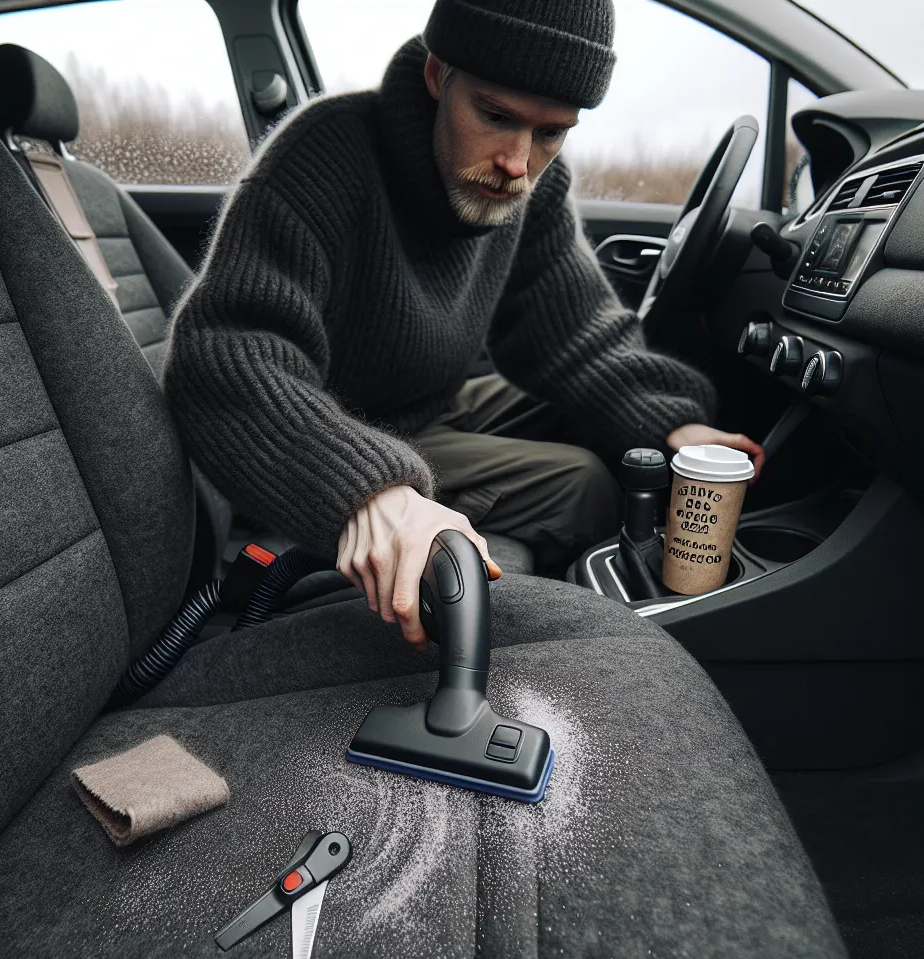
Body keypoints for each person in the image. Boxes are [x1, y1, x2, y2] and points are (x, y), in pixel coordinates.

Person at [164, 0, 762, 648]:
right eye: (496, 117)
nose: (518, 163)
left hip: (430, 404)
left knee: (590, 417)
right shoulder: (324, 155)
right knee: (587, 485)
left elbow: (572, 328)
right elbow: (222, 355)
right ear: (437, 76)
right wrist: (368, 490)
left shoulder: (531, 185)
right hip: (328, 435)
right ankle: (566, 651)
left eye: (551, 132)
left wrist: (672, 424)